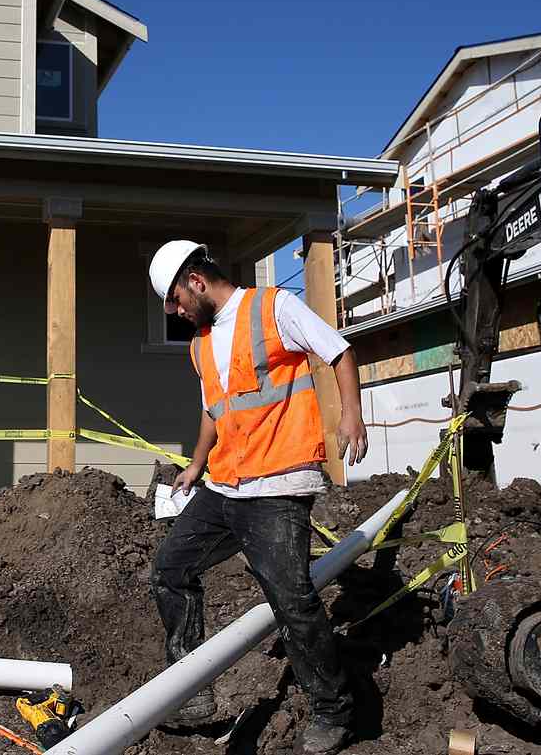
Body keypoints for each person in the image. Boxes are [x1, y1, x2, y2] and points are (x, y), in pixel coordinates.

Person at [146, 239, 368, 755]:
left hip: (278, 483)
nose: (176, 312)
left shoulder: (273, 307)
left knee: (291, 599)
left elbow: (339, 350)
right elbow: (214, 411)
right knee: (170, 570)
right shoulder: (202, 344)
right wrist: (197, 465)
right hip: (225, 484)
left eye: (176, 301)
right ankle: (192, 691)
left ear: (196, 281)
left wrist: (350, 414)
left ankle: (333, 712)